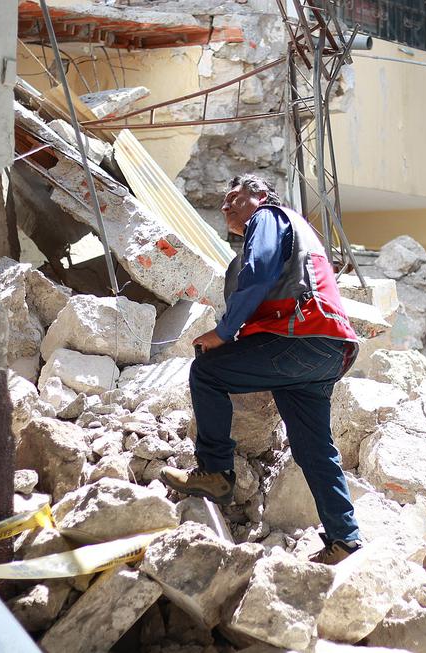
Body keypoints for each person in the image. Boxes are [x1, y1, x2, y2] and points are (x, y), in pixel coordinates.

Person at [158, 174, 362, 565]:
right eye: (225, 200)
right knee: (314, 449)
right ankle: (345, 541)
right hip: (327, 351)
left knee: (208, 371)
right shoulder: (296, 232)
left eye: (235, 196)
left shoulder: (268, 217)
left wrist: (223, 331)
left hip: (300, 338)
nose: (226, 206)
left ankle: (216, 472)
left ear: (261, 195)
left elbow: (259, 270)